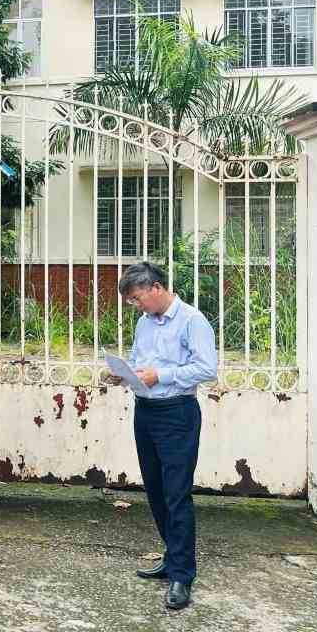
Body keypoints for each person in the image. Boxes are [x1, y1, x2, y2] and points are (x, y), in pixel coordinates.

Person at [108, 262, 217, 612]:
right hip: (147, 412)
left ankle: (183, 576)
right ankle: (172, 559)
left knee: (176, 495)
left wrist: (161, 375)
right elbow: (142, 362)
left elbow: (206, 369)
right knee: (155, 491)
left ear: (156, 288)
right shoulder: (144, 323)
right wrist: (124, 374)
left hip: (177, 415)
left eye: (137, 298)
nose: (135, 306)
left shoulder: (191, 321)